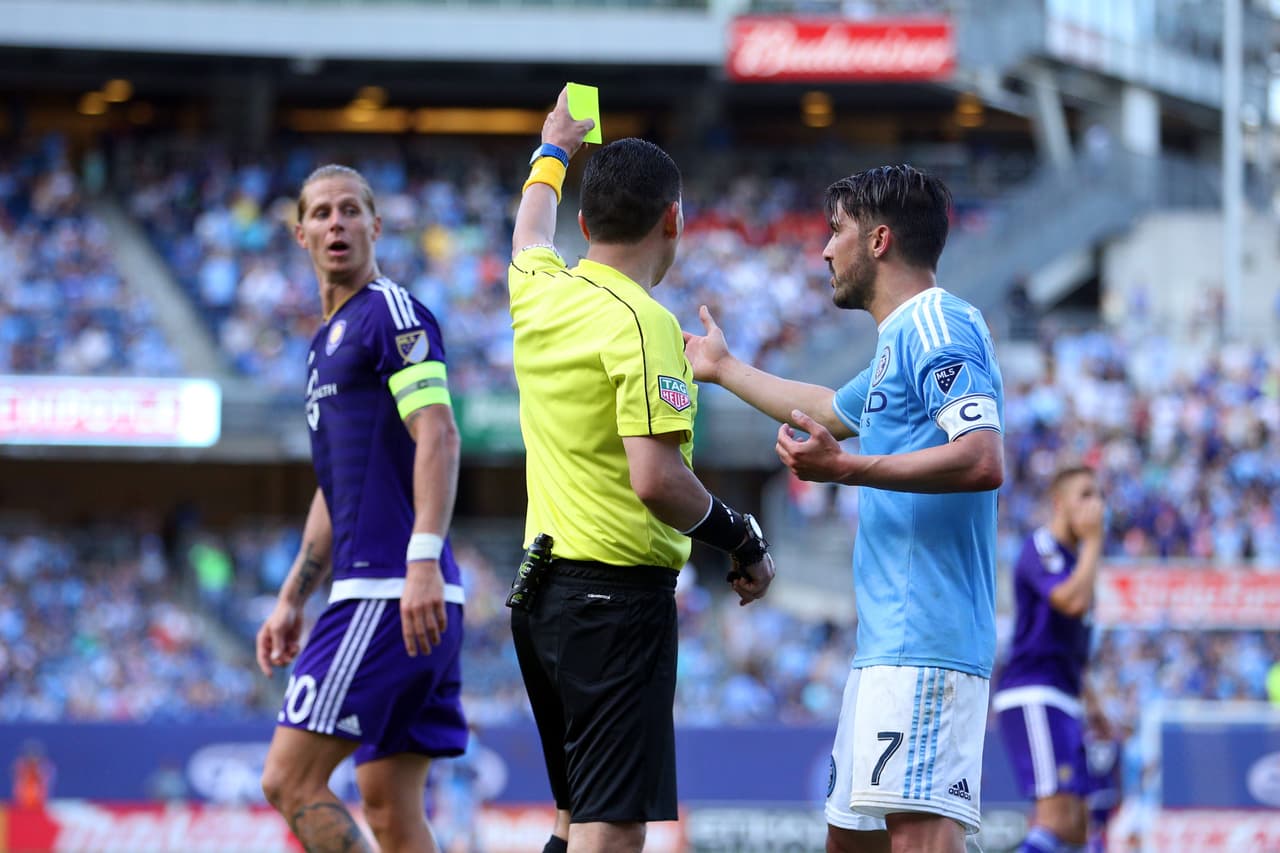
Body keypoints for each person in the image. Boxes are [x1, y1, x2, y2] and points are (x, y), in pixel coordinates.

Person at [684, 164, 1004, 853]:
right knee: (849, 842)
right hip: (885, 647)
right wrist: (724, 367)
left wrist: (848, 468)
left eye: (837, 232)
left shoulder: (938, 323)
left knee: (920, 839)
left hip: (927, 639)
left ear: (880, 240)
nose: (825, 250)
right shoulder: (895, 345)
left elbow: (982, 456)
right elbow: (828, 409)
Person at [507, 88, 776, 853]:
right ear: (675, 221)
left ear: (585, 224)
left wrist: (553, 149)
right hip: (614, 600)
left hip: (542, 595)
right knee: (613, 829)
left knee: (574, 814)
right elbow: (655, 479)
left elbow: (528, 228)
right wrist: (743, 535)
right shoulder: (645, 321)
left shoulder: (539, 288)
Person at [256, 164, 466, 853]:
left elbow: (437, 430)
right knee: (389, 808)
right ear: (301, 234)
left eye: (351, 210)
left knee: (289, 780)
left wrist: (422, 559)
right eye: (321, 213)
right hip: (396, 591)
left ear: (375, 227)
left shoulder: (389, 312)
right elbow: (334, 487)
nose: (337, 223)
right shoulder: (324, 344)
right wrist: (292, 596)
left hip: (388, 591)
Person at [992, 466, 1105, 853]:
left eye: (1098, 496)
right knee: (1055, 819)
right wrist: (1093, 542)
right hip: (1033, 691)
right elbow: (1069, 602)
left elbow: (1071, 644)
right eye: (1085, 495)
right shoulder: (1042, 546)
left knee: (1077, 826)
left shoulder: (1078, 563)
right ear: (1059, 503)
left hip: (1064, 696)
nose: (1096, 506)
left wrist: (1094, 705)